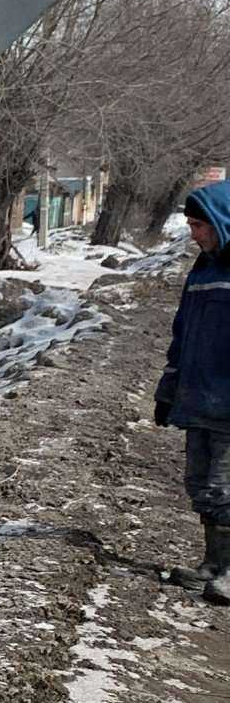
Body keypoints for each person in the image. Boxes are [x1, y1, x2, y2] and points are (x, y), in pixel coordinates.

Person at [154, 181, 230, 600]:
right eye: (190, 224)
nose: (193, 233)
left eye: (199, 225)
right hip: (199, 399)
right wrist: (168, 389)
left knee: (225, 487)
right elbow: (182, 333)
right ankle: (214, 564)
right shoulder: (202, 270)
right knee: (201, 485)